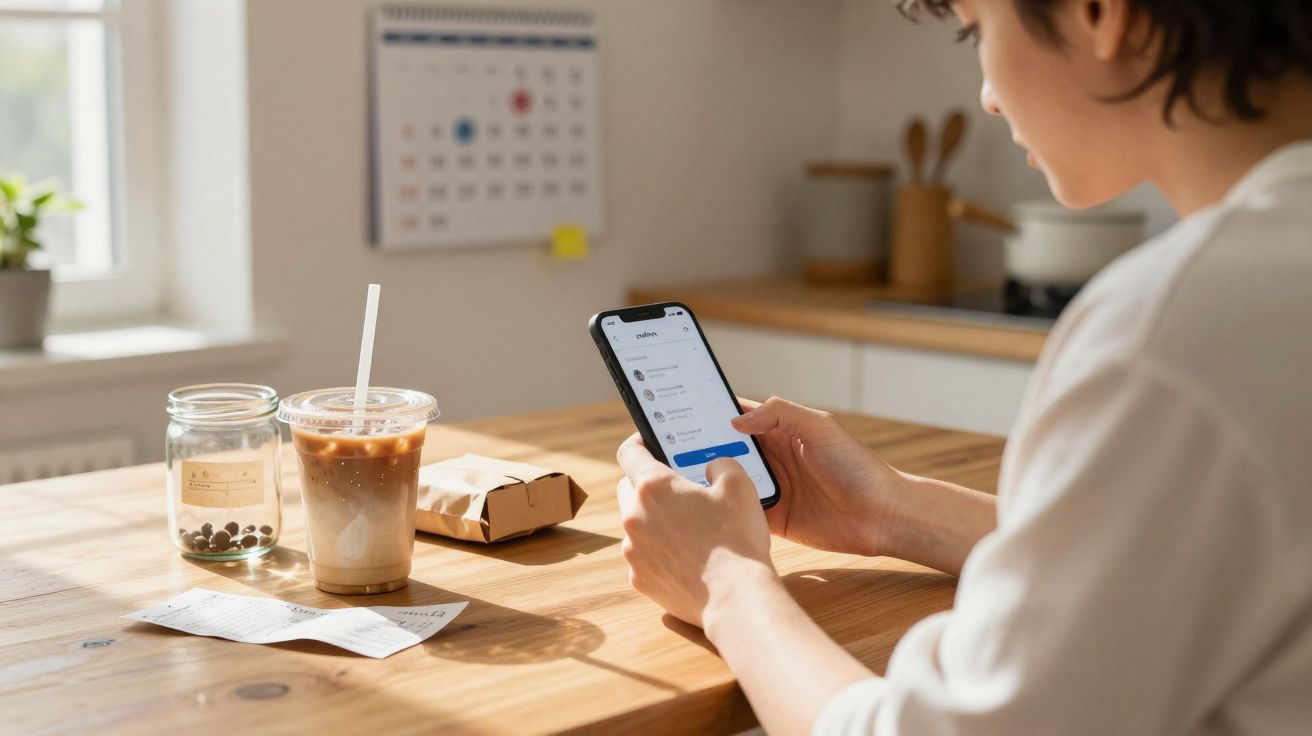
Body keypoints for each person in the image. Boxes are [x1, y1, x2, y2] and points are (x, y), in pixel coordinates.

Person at [613, 1, 1312, 733]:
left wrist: (726, 584)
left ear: (1101, 13)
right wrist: (889, 511)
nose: (986, 92)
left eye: (976, 29)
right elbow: (1179, 571)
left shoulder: (1175, 333)